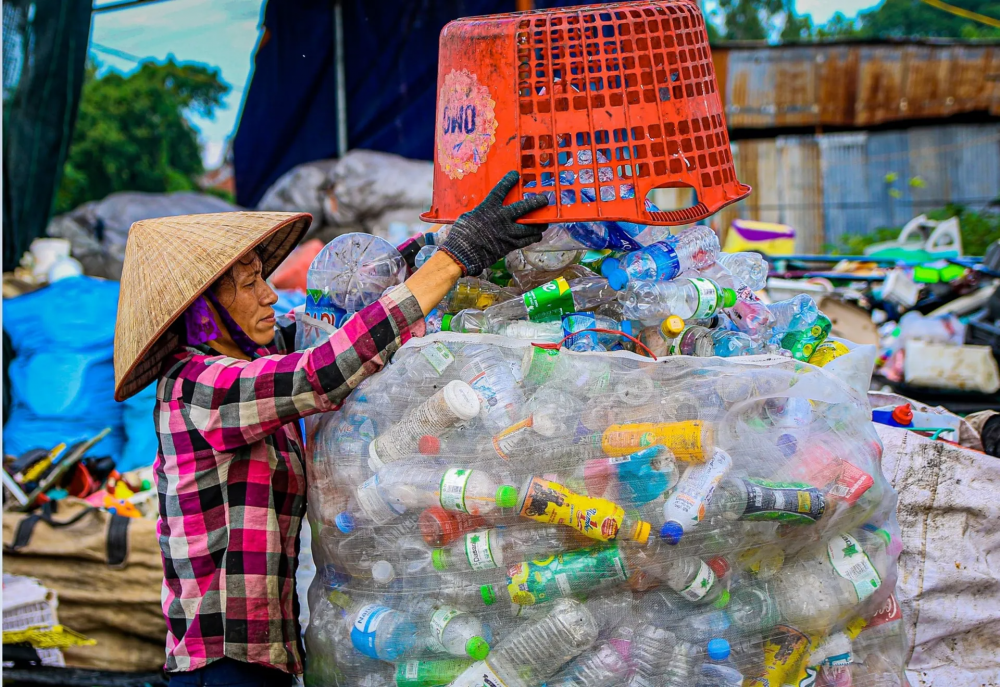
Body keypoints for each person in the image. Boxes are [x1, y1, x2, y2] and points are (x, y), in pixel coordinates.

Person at [112, 172, 547, 686]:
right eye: (250, 284)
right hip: (222, 665)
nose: (270, 295)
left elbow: (343, 311)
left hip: (265, 654)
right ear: (205, 314)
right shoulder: (201, 388)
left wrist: (425, 249)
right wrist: (452, 262)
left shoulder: (258, 354)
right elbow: (325, 369)